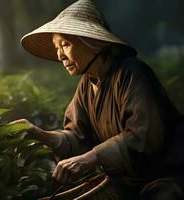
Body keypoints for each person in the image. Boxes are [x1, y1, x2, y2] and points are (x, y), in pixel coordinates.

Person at [10, 0, 184, 199]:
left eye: (65, 44)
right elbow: (78, 136)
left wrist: (88, 159)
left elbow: (143, 137)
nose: (60, 56)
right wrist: (40, 134)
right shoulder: (86, 85)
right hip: (125, 183)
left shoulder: (133, 73)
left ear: (92, 43)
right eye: (57, 47)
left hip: (165, 179)